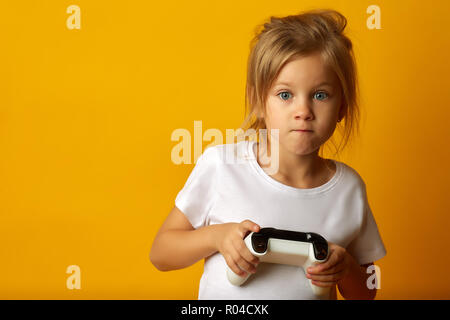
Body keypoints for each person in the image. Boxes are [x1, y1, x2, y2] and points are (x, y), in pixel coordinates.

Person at [150, 9, 386, 300]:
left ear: (342, 107)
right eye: (285, 95)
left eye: (320, 95)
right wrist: (217, 237)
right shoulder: (223, 166)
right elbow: (161, 253)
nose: (303, 112)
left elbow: (367, 292)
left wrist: (346, 268)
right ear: (258, 101)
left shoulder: (349, 189)